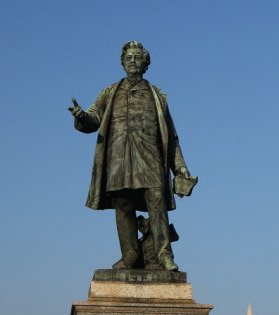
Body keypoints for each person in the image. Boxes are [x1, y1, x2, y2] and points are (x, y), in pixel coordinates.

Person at [69, 40, 195, 271]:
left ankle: (163, 255)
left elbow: (171, 136)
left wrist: (180, 168)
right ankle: (130, 256)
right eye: (129, 58)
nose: (133, 62)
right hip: (119, 158)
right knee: (123, 205)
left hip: (150, 157)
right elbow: (93, 119)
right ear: (122, 63)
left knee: (156, 202)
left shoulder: (157, 96)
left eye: (138, 58)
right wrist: (80, 117)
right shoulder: (109, 92)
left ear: (146, 64)